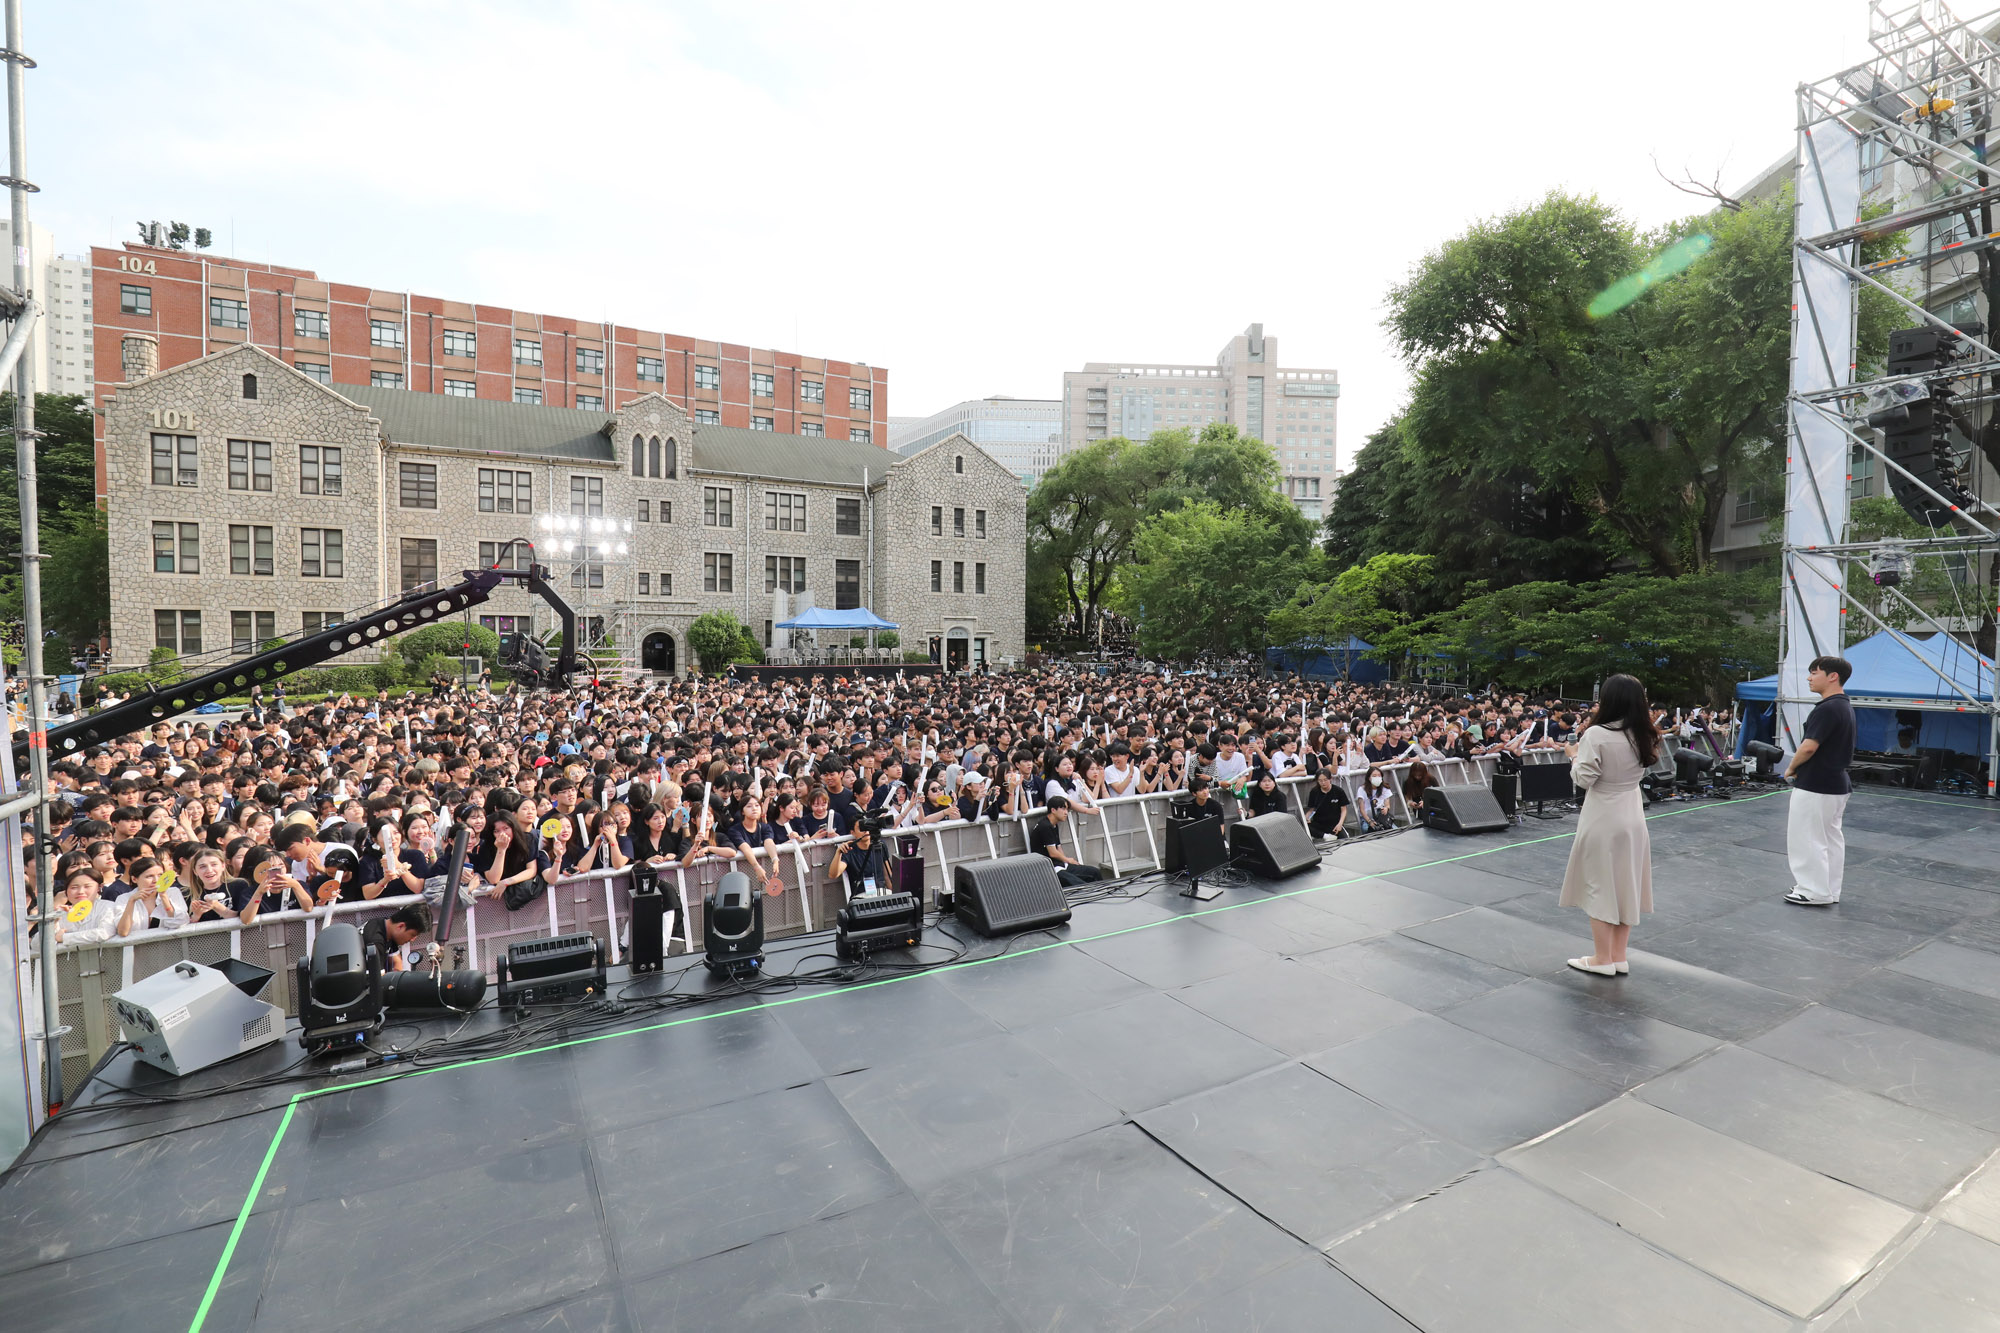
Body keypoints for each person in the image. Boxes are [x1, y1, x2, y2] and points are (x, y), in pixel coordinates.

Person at [1556, 673, 1657, 975]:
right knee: (1626, 884)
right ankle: (1618, 956)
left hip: (1603, 814)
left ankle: (1602, 959)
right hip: (1632, 812)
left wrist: (1573, 757)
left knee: (1599, 885)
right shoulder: (1646, 733)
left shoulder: (1597, 735)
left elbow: (1584, 779)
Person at [1784, 655, 1856, 907]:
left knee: (1807, 837)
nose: (1809, 677)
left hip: (1816, 783)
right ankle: (1828, 889)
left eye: (1814, 672)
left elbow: (1808, 747)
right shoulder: (1844, 706)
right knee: (1829, 838)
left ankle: (1812, 889)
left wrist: (1791, 767)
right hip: (1836, 783)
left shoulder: (1827, 708)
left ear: (1832, 676)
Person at [1030, 794, 1100, 887]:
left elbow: (1058, 847)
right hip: (1049, 868)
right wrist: (1068, 860)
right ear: (1053, 810)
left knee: (1095, 872)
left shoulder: (1054, 825)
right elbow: (1053, 853)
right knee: (1080, 885)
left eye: (1067, 809)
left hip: (1061, 865)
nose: (1066, 812)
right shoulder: (1045, 826)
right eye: (1063, 809)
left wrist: (1066, 862)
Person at [1305, 767, 1352, 839]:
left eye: (1325, 780)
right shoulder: (1314, 792)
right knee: (1305, 827)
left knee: (1345, 838)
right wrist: (1307, 817)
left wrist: (1340, 824)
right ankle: (1325, 836)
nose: (1323, 783)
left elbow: (1344, 810)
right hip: (1319, 823)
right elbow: (1312, 808)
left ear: (1330, 779)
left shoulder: (1338, 791)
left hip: (1334, 824)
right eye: (1320, 781)